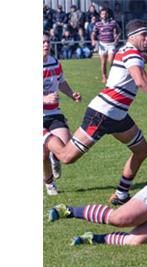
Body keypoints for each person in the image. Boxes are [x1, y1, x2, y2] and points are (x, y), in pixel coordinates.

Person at [44, 20, 147, 205]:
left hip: (118, 115)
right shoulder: (130, 52)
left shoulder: (131, 52)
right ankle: (43, 134)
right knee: (66, 157)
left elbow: (142, 56)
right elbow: (141, 81)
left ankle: (121, 194)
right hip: (102, 113)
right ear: (132, 37)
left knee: (142, 151)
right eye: (144, 35)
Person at [43, 32, 82, 196]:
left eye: (47, 42)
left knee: (66, 148)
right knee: (42, 152)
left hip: (53, 112)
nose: (46, 45)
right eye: (42, 43)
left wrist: (72, 94)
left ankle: (55, 157)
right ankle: (50, 183)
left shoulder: (54, 62)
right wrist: (44, 98)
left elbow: (61, 82)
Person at [91, 8, 121, 83]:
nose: (104, 15)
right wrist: (93, 40)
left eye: (105, 14)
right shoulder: (98, 24)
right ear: (100, 15)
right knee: (103, 62)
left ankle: (113, 75)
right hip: (102, 44)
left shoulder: (113, 23)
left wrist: (117, 38)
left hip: (111, 44)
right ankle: (104, 77)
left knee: (110, 61)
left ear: (107, 14)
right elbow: (93, 33)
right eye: (102, 14)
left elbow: (119, 31)